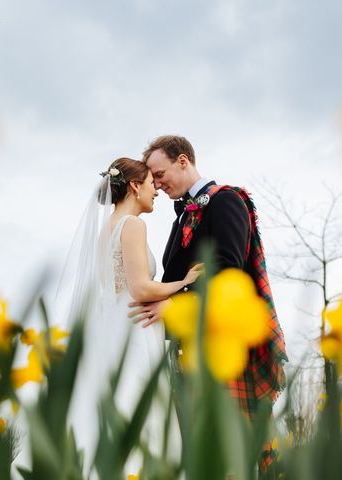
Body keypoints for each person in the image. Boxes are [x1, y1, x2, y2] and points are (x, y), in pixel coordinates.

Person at [130, 135, 288, 473]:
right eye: (152, 179)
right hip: (193, 350)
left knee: (237, 448)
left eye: (159, 174)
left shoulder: (227, 200)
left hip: (225, 347)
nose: (156, 184)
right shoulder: (182, 217)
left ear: (183, 161)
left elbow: (229, 268)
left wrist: (177, 306)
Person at [63, 157, 203, 476]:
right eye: (152, 184)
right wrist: (184, 283)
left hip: (110, 330)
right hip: (135, 328)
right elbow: (140, 288)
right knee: (139, 405)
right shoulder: (132, 225)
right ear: (135, 186)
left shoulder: (105, 231)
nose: (156, 191)